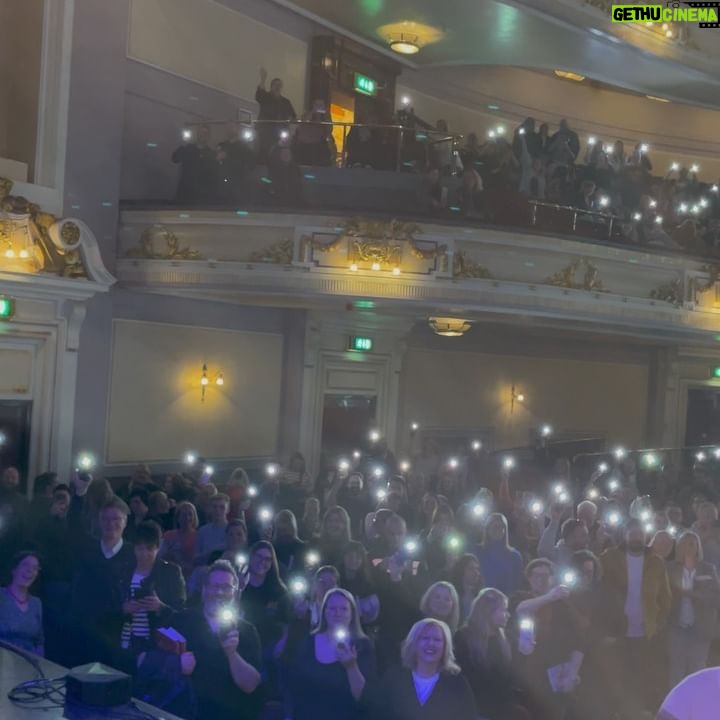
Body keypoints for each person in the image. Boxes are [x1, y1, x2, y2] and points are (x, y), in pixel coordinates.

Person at [172, 560, 262, 720]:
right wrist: (176, 664)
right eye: (214, 586)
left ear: (234, 593)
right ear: (204, 589)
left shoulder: (246, 631)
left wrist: (232, 654)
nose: (219, 592)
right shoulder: (183, 620)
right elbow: (150, 658)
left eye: (226, 587)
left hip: (230, 714)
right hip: (187, 710)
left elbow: (251, 685)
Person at [601, 518, 672, 716]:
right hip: (617, 629)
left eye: (640, 534)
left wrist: (660, 621)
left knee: (642, 674)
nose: (636, 538)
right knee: (617, 675)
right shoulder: (609, 557)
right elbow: (601, 589)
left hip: (646, 630)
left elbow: (665, 597)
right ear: (625, 536)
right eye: (632, 534)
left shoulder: (656, 562)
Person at [511, 558, 585, 720]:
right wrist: (550, 596)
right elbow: (520, 609)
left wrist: (573, 671)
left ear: (552, 579)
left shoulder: (562, 604)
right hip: (530, 672)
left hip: (557, 673)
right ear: (529, 578)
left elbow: (579, 637)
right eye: (537, 575)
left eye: (546, 576)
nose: (541, 580)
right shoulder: (521, 596)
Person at [287, 588, 376, 720]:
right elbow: (296, 686)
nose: (337, 613)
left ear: (352, 613)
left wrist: (351, 666)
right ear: (324, 612)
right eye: (332, 608)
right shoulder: (308, 642)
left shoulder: (363, 645)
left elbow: (365, 697)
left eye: (344, 609)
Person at [72, 496, 136, 666]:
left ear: (125, 522)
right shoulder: (88, 551)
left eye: (116, 519)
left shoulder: (133, 554)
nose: (110, 524)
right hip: (89, 629)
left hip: (120, 631)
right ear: (99, 521)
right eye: (106, 519)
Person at [118, 520, 186, 672]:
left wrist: (160, 607)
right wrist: (123, 608)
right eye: (140, 549)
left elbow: (181, 612)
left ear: (158, 547)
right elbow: (108, 607)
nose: (144, 554)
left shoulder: (171, 573)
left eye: (149, 549)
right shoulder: (124, 571)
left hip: (156, 646)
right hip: (125, 642)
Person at [454, 588, 530, 720]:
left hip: (503, 705)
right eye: (503, 610)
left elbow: (511, 677)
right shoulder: (464, 637)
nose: (508, 615)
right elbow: (465, 678)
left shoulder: (507, 638)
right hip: (475, 705)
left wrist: (524, 653)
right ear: (488, 611)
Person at [379, 618, 476, 720]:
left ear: (445, 646)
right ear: (414, 643)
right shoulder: (394, 678)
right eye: (425, 638)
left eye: (437, 640)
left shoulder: (457, 684)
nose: (431, 644)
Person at [666, 530, 720, 687]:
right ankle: (676, 709)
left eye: (691, 543)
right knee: (676, 669)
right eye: (683, 543)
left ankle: (697, 708)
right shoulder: (670, 568)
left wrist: (691, 595)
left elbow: (716, 598)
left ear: (698, 547)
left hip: (701, 628)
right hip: (677, 626)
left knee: (697, 670)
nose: (687, 547)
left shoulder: (708, 569)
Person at [240, 541, 291, 662]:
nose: (262, 562)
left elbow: (287, 621)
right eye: (259, 557)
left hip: (270, 646)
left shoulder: (279, 589)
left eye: (268, 559)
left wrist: (281, 644)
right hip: (243, 643)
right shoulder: (238, 584)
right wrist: (239, 588)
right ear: (251, 556)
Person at [0, 551, 43, 655]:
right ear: (14, 569)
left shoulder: (36, 603)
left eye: (35, 568)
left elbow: (39, 641)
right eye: (25, 565)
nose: (30, 571)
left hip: (28, 664)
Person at [255, 67, 297, 162]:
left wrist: (291, 129)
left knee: (279, 154)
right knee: (264, 153)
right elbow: (259, 95)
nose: (277, 87)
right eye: (275, 85)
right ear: (271, 86)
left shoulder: (286, 102)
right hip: (265, 131)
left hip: (280, 133)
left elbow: (293, 117)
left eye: (279, 85)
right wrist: (263, 79)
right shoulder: (266, 97)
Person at [478, 512, 525, 596]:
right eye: (494, 527)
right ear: (487, 529)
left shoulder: (515, 556)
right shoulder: (477, 552)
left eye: (501, 527)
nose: (498, 530)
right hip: (480, 599)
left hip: (506, 602)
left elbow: (517, 584)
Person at [171, 124, 218, 205]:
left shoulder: (211, 154)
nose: (203, 135)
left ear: (208, 136)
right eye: (201, 133)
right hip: (186, 194)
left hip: (202, 197)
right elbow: (174, 159)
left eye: (205, 133)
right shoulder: (188, 148)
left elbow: (214, 175)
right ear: (197, 134)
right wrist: (181, 148)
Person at [339, 541, 380, 626]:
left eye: (358, 557)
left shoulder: (368, 584)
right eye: (350, 556)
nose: (354, 560)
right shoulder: (336, 580)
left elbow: (372, 612)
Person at [160, 501, 199, 580]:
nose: (187, 518)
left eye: (190, 514)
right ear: (178, 517)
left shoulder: (199, 536)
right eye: (184, 515)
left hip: (190, 574)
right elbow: (161, 556)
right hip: (169, 573)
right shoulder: (168, 535)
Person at [195, 493, 230, 564]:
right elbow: (195, 558)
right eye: (215, 507)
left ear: (228, 509)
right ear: (210, 509)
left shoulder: (233, 530)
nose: (218, 510)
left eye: (222, 507)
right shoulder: (203, 531)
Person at [450, 553, 484, 623]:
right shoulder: (451, 595)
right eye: (471, 568)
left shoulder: (481, 596)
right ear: (461, 570)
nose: (476, 573)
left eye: (477, 569)